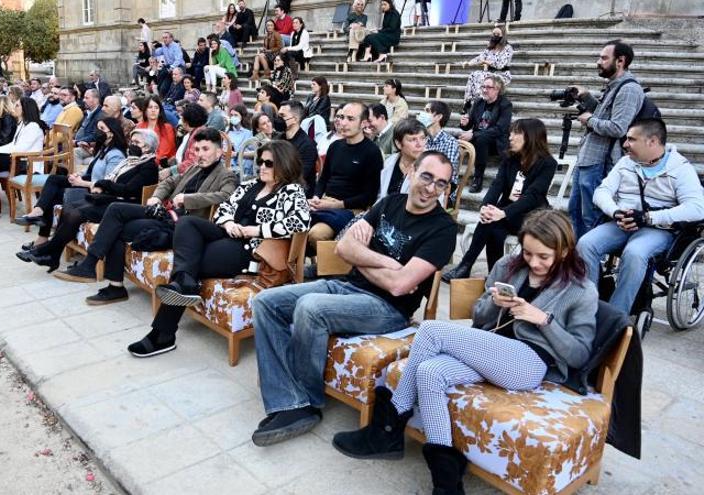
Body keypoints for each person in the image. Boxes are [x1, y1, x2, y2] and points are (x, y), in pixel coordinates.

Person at [331, 209, 596, 495]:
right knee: (429, 372)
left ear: (565, 250)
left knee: (431, 330)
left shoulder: (580, 289)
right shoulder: (509, 265)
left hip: (527, 363)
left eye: (544, 256)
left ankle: (390, 424)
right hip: (488, 351)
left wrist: (543, 320)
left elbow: (579, 354)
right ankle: (447, 483)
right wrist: (496, 303)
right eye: (529, 253)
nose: (534, 262)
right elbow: (479, 314)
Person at [251, 151, 458, 446]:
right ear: (411, 171)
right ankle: (289, 399)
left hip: (387, 308)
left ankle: (307, 402)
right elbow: (342, 249)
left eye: (441, 184)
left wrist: (362, 258)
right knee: (266, 302)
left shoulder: (443, 229)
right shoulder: (389, 204)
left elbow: (400, 287)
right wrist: (386, 264)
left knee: (310, 308)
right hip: (348, 286)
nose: (430, 188)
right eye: (426, 176)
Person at [129, 141, 311, 357]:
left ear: (285, 164)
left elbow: (300, 221)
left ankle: (162, 332)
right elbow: (224, 208)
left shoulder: (291, 191)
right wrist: (228, 223)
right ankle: (184, 285)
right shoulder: (250, 185)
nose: (262, 166)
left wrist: (254, 230)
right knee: (186, 224)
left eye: (269, 163)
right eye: (260, 161)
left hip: (248, 249)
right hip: (226, 234)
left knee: (189, 265)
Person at [52, 128, 238, 304]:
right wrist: (156, 197)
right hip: (164, 214)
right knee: (116, 209)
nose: (200, 154)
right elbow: (169, 182)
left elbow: (224, 196)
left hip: (184, 228)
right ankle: (93, 266)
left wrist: (188, 198)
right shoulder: (194, 168)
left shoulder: (227, 175)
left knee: (119, 228)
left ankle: (111, 283)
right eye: (197, 149)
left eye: (205, 149)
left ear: (219, 152)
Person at [578, 118, 704, 314]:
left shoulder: (680, 168)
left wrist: (649, 217)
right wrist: (615, 211)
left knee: (635, 252)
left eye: (631, 139)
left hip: (657, 229)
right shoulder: (625, 162)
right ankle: (587, 308)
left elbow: (697, 208)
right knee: (586, 244)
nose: (625, 144)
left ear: (652, 141)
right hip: (621, 222)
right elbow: (601, 192)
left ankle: (616, 316)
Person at [443, 118, 558, 281]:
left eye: (516, 133)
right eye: (510, 132)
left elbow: (533, 195)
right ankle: (478, 270)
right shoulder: (510, 159)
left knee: (493, 223)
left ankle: (478, 270)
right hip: (506, 210)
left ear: (531, 136)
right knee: (492, 226)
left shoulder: (547, 163)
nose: (510, 137)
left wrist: (503, 213)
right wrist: (486, 207)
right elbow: (497, 185)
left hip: (531, 216)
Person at [15, 121, 143, 251]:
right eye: (97, 127)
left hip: (97, 193)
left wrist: (81, 182)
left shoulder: (116, 155)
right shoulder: (104, 148)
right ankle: (39, 212)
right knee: (53, 180)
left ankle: (42, 238)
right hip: (89, 183)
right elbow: (92, 169)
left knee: (54, 196)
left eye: (102, 128)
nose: (97, 131)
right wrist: (78, 175)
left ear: (111, 134)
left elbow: (107, 183)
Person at [568, 40, 645, 238]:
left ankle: (591, 262)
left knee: (591, 217)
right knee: (575, 212)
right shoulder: (613, 85)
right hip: (588, 158)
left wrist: (590, 121)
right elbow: (606, 114)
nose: (598, 62)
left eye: (604, 58)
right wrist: (586, 97)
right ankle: (578, 260)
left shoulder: (629, 89)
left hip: (599, 162)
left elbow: (619, 128)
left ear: (620, 61)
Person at [308, 102, 383, 246]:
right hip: (325, 200)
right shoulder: (335, 146)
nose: (343, 123)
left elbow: (369, 196)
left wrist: (335, 205)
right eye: (342, 117)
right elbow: (323, 178)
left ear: (364, 123)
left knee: (316, 234)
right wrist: (316, 197)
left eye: (350, 119)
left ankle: (323, 265)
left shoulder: (372, 152)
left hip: (350, 208)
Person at [459, 75, 513, 193]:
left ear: (497, 89)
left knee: (482, 139)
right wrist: (465, 123)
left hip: (495, 142)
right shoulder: (479, 102)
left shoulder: (505, 105)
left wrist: (473, 135)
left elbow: (500, 129)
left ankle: (478, 178)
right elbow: (470, 124)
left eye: (488, 87)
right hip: (478, 137)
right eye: (483, 86)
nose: (484, 90)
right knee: (455, 138)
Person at [420, 100, 460, 198]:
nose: (422, 114)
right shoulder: (423, 139)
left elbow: (448, 174)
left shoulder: (449, 142)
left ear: (438, 117)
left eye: (427, 111)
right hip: (422, 184)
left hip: (442, 189)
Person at [463, 26, 513, 104]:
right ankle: (469, 104)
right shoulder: (490, 48)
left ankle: (481, 103)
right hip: (489, 73)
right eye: (494, 34)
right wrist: (469, 63)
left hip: (502, 74)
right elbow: (480, 58)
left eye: (498, 34)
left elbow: (501, 64)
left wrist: (486, 62)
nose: (495, 36)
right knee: (473, 75)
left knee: (483, 78)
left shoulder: (507, 48)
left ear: (503, 35)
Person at [278, 100, 318, 197]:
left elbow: (299, 177)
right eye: (278, 115)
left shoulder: (307, 145)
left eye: (282, 116)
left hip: (297, 193)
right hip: (277, 185)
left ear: (295, 119)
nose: (278, 119)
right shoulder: (278, 139)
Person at [379, 118, 427, 198]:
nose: (419, 144)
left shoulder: (431, 167)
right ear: (398, 144)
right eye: (413, 139)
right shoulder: (388, 163)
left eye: (422, 138)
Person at [161, 103, 209, 179]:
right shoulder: (192, 133)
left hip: (193, 176)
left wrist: (170, 171)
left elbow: (192, 162)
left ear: (186, 122)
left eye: (181, 118)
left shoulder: (199, 136)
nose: (180, 121)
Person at [137, 96, 177, 167]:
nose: (153, 110)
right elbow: (136, 148)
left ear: (159, 111)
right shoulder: (139, 127)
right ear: (145, 110)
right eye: (150, 107)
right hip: (142, 163)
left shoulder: (167, 128)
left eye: (156, 107)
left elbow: (165, 151)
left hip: (163, 165)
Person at [74, 89, 106, 169]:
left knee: (75, 152)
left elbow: (95, 135)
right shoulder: (87, 112)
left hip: (89, 146)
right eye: (84, 97)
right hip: (81, 143)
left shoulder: (100, 115)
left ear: (95, 100)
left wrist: (77, 142)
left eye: (86, 98)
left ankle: (77, 177)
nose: (84, 100)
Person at [227, 104, 253, 176]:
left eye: (236, 115)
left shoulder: (249, 133)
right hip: (228, 165)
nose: (233, 117)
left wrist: (236, 151)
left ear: (242, 116)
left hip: (243, 168)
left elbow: (253, 152)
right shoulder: (228, 132)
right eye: (231, 115)